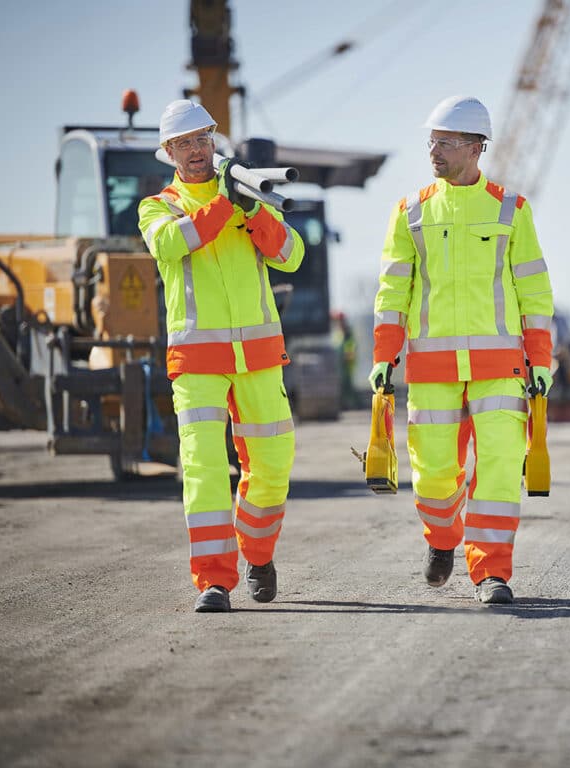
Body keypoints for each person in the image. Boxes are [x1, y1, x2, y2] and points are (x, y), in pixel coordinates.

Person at [369, 95, 555, 605]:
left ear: (476, 148)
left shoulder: (512, 210)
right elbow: (392, 293)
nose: (435, 150)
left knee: (497, 464)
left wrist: (541, 362)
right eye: (431, 141)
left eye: (446, 142)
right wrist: (383, 357)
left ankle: (491, 571)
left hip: (500, 367)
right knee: (432, 475)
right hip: (432, 370)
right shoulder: (410, 212)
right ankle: (442, 538)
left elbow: (535, 292)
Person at [138, 99, 305, 613]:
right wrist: (230, 204)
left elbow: (291, 256)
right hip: (197, 362)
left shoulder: (247, 194)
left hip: (257, 357)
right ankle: (214, 580)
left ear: (214, 141)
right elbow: (175, 244)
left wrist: (255, 210)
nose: (196, 151)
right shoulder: (158, 206)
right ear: (168, 152)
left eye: (203, 140)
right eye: (184, 143)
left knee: (274, 467)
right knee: (204, 469)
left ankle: (257, 555)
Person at [331, 310, 361, 409]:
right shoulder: (339, 332)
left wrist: (348, 356)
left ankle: (355, 404)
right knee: (344, 385)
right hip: (341, 362)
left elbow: (351, 347)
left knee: (347, 385)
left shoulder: (347, 333)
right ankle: (347, 404)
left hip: (347, 362)